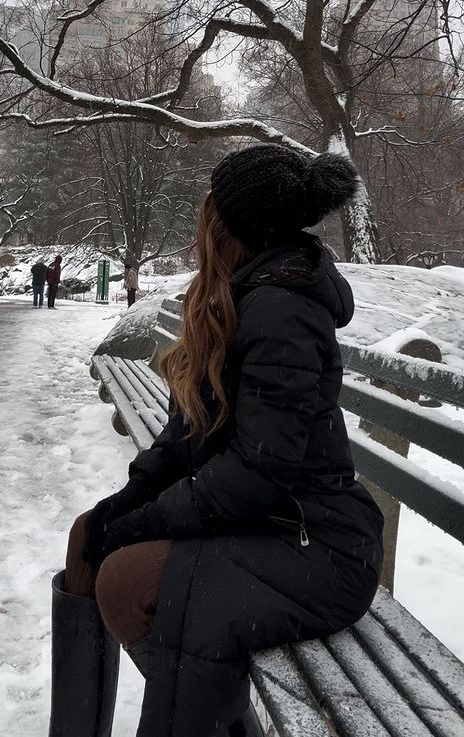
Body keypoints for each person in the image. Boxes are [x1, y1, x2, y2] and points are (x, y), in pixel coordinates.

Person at [48, 145, 384, 737]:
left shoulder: (283, 312)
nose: (203, 210)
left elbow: (259, 470)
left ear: (236, 225)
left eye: (215, 202)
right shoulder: (236, 296)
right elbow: (186, 438)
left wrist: (145, 525)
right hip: (269, 522)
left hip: (317, 541)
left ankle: (223, 725)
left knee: (129, 580)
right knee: (88, 539)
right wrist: (123, 508)